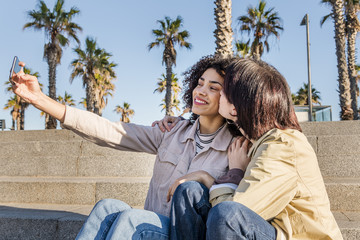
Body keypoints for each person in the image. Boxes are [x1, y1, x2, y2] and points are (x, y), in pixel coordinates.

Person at [10, 55, 240, 239]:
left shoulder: (236, 147)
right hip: (150, 226)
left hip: (185, 233)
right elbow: (109, 131)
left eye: (213, 87)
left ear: (230, 97)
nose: (200, 91)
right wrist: (40, 100)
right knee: (107, 207)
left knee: (130, 219)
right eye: (200, 83)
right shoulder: (171, 132)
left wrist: (204, 177)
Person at [167, 58, 343, 239]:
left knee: (228, 215)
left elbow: (235, 214)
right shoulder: (253, 141)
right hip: (268, 228)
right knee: (189, 192)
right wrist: (180, 121)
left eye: (223, 90)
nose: (217, 95)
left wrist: (231, 173)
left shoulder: (282, 146)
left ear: (235, 107)